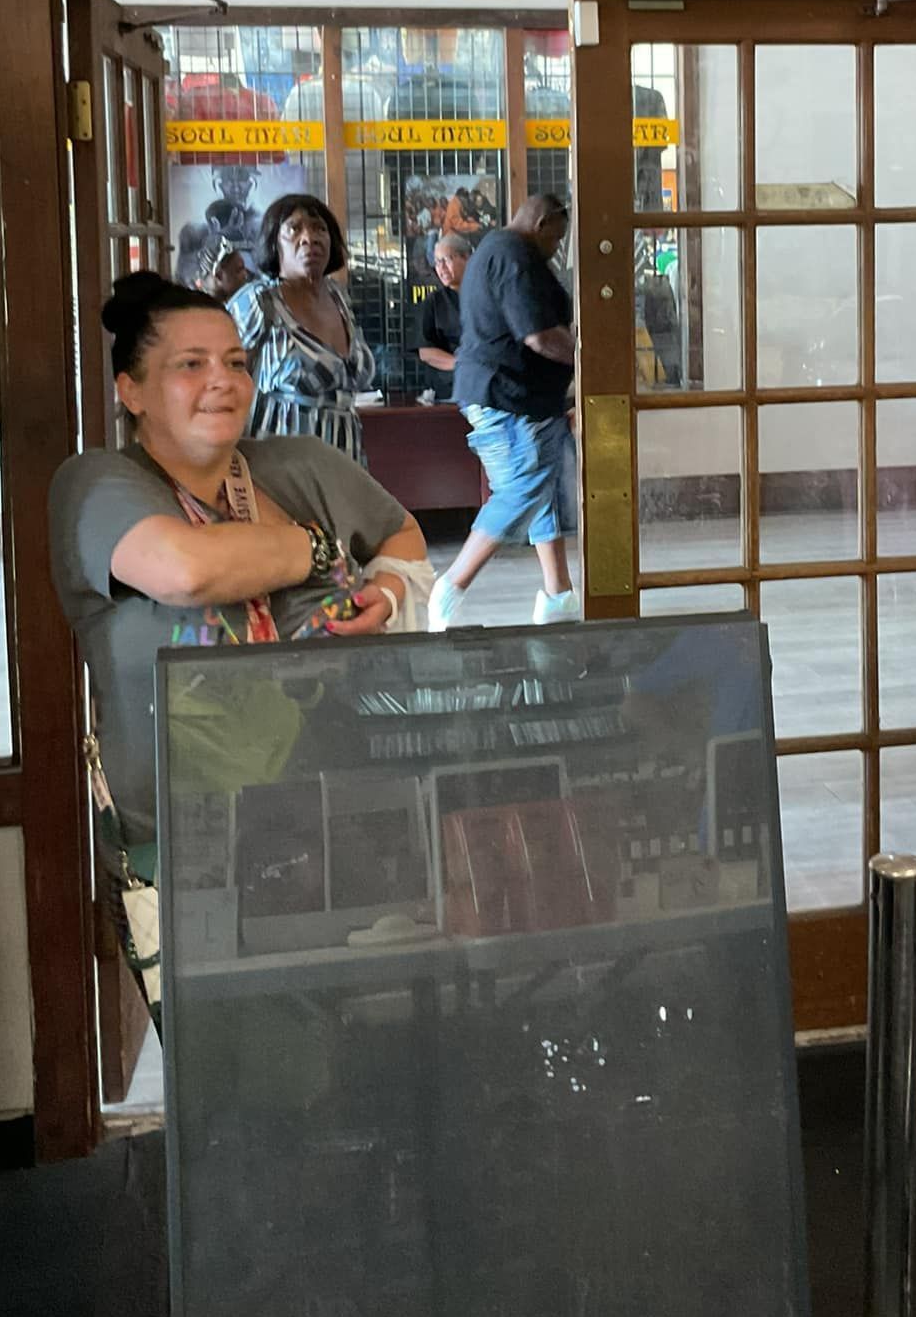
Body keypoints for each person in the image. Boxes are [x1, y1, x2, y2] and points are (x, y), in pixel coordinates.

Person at [49, 272, 431, 874]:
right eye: (191, 365)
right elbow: (186, 570)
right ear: (132, 391)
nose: (222, 380)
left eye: (235, 362)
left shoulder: (302, 465)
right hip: (188, 847)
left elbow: (401, 533)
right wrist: (317, 548)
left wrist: (387, 587)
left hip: (348, 811)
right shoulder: (96, 485)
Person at [429, 195, 578, 631]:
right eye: (557, 238)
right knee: (521, 489)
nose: (556, 247)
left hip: (517, 395)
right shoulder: (514, 255)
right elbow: (538, 335)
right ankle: (452, 585)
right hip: (507, 396)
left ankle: (559, 596)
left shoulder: (497, 249)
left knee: (542, 487)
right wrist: (590, 359)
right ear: (541, 222)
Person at [228, 194, 376, 458]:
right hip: (280, 463)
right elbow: (224, 383)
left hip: (346, 457)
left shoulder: (339, 298)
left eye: (320, 229)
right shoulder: (259, 302)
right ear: (274, 242)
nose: (310, 238)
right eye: (294, 229)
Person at [417, 232, 470, 396]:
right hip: (448, 388)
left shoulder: (486, 296)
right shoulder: (434, 301)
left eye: (446, 260)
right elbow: (425, 352)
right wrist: (464, 365)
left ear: (466, 258)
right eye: (437, 262)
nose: (441, 268)